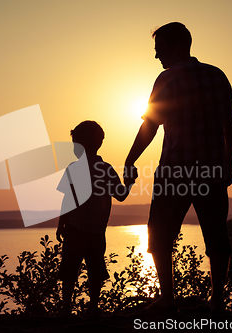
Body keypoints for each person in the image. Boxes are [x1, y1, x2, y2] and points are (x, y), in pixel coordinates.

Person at [124, 22, 232, 313]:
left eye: (159, 48)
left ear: (176, 46)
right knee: (216, 236)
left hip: (175, 171)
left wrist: (130, 159)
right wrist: (228, 161)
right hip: (212, 171)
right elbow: (230, 124)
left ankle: (167, 298)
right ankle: (218, 302)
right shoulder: (217, 75)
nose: (156, 55)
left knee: (160, 234)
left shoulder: (167, 79)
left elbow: (150, 124)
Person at [56, 120, 135, 317]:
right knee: (95, 269)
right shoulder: (106, 169)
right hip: (97, 230)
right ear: (99, 143)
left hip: (74, 228)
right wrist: (130, 182)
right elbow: (121, 195)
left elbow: (67, 199)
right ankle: (93, 307)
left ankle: (66, 307)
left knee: (70, 269)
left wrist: (60, 224)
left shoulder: (73, 168)